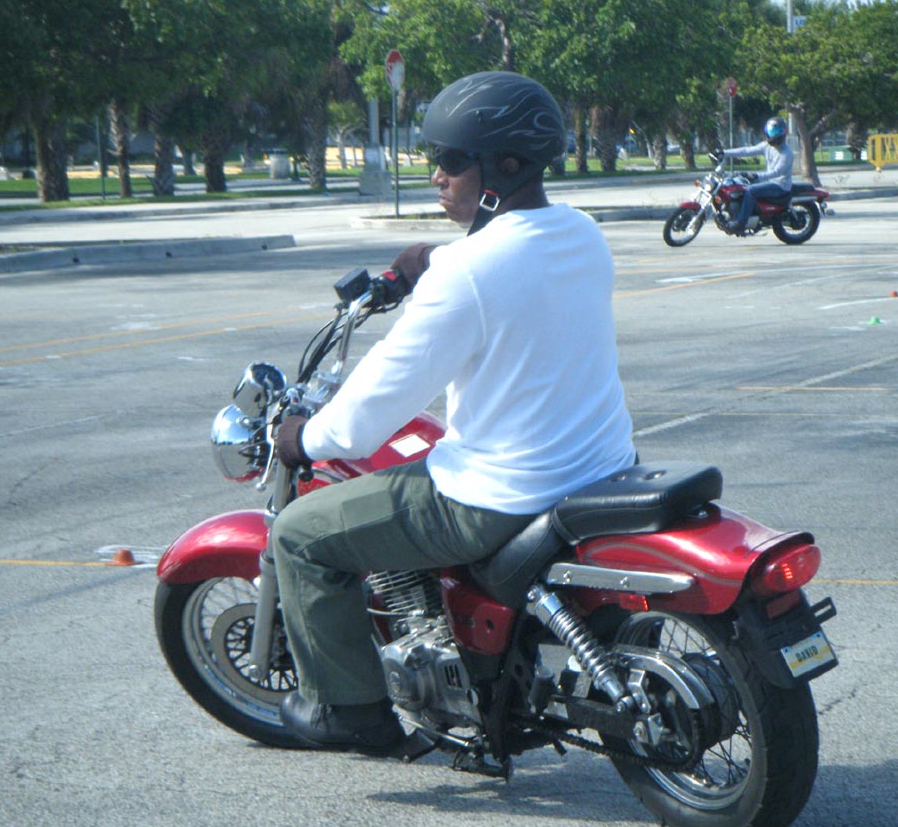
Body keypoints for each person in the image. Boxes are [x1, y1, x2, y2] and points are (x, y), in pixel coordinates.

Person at [268, 71, 637, 752]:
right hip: (599, 470)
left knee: (299, 533)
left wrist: (304, 438)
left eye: (451, 159)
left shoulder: (465, 274)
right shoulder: (582, 233)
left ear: (506, 167)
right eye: (432, 157)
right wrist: (433, 257)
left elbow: (370, 412)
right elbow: (514, 260)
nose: (436, 174)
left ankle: (348, 712)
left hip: (500, 497)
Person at [719, 116, 793, 233]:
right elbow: (747, 151)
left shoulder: (787, 153)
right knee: (738, 183)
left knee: (751, 190)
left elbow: (777, 172)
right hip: (769, 182)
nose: (774, 135)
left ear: (783, 133)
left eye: (777, 131)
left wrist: (757, 175)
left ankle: (740, 223)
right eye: (772, 131)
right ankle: (735, 214)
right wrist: (724, 153)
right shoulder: (766, 146)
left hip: (780, 186)